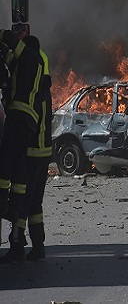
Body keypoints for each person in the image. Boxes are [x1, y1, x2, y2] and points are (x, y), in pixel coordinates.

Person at [0, 29, 44, 262]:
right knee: (21, 178)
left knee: (7, 163)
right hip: (31, 129)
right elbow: (9, 60)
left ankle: (3, 205)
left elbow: (11, 43)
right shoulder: (34, 67)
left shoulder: (28, 56)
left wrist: (1, 34)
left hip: (18, 118)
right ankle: (15, 211)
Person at [7, 36, 52, 262]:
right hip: (44, 155)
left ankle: (16, 246)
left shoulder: (34, 94)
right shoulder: (45, 91)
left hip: (32, 154)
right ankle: (38, 246)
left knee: (22, 201)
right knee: (35, 203)